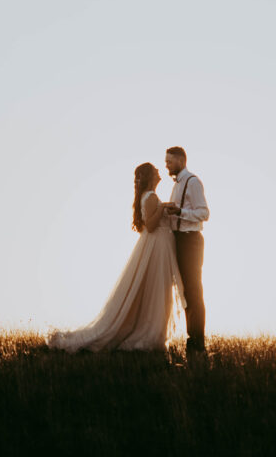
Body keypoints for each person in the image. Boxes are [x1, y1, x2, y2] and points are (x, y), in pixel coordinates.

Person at [47, 163, 185, 352]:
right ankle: (152, 333)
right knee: (157, 290)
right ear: (150, 177)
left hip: (156, 246)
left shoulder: (148, 196)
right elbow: (151, 226)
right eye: (156, 172)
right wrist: (163, 208)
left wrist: (163, 208)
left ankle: (154, 330)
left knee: (154, 289)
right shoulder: (151, 196)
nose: (159, 174)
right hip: (157, 246)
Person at [165, 146, 210, 354]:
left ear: (181, 161)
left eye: (170, 161)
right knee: (185, 291)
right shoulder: (177, 184)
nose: (166, 165)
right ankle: (193, 340)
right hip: (179, 240)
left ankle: (197, 343)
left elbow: (204, 213)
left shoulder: (192, 182)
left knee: (193, 290)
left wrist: (180, 211)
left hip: (190, 241)